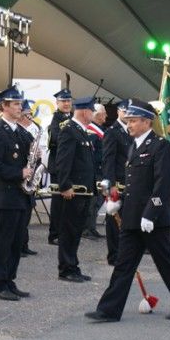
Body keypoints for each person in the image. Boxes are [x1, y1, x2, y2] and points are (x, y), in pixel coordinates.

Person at [85, 99, 170, 322]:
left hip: (152, 219)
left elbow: (163, 184)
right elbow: (135, 184)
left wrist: (151, 213)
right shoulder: (134, 146)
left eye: (133, 121)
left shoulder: (160, 146)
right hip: (132, 217)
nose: (129, 125)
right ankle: (108, 310)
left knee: (165, 262)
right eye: (128, 121)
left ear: (147, 122)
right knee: (123, 264)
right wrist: (119, 202)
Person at [0, 87, 32, 301]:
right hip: (7, 195)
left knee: (16, 242)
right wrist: (19, 173)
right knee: (3, 243)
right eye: (15, 104)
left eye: (20, 104)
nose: (20, 107)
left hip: (21, 196)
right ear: (3, 106)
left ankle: (10, 280)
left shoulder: (20, 131)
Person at [56, 96, 96, 283]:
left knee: (76, 230)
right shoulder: (69, 130)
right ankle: (66, 268)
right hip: (73, 191)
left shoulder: (81, 131)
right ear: (84, 112)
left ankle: (73, 265)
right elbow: (63, 161)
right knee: (69, 230)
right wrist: (65, 185)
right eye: (92, 111)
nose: (93, 114)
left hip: (83, 191)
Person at [101, 99, 132, 265]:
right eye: (124, 111)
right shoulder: (112, 132)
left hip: (130, 183)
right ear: (118, 111)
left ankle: (125, 252)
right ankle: (114, 255)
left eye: (130, 112)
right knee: (114, 221)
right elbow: (108, 160)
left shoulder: (131, 131)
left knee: (128, 219)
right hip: (117, 184)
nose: (127, 115)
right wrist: (110, 185)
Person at [47, 88, 73, 245]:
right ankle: (54, 234)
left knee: (68, 204)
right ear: (57, 103)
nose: (66, 104)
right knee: (58, 203)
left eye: (68, 101)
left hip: (70, 167)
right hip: (58, 166)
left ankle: (64, 233)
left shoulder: (72, 117)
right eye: (63, 101)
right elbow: (55, 140)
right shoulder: (56, 119)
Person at [17, 98, 39, 258]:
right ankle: (20, 245)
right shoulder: (18, 131)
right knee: (20, 219)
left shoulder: (27, 132)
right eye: (28, 114)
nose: (31, 117)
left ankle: (24, 244)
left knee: (26, 215)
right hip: (20, 179)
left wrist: (37, 155)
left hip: (29, 177)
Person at [82, 102, 106, 240]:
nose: (106, 116)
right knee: (93, 201)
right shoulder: (91, 130)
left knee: (98, 201)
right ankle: (87, 229)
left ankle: (92, 227)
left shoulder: (100, 129)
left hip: (101, 171)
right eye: (104, 113)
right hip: (95, 171)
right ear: (98, 115)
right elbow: (91, 152)